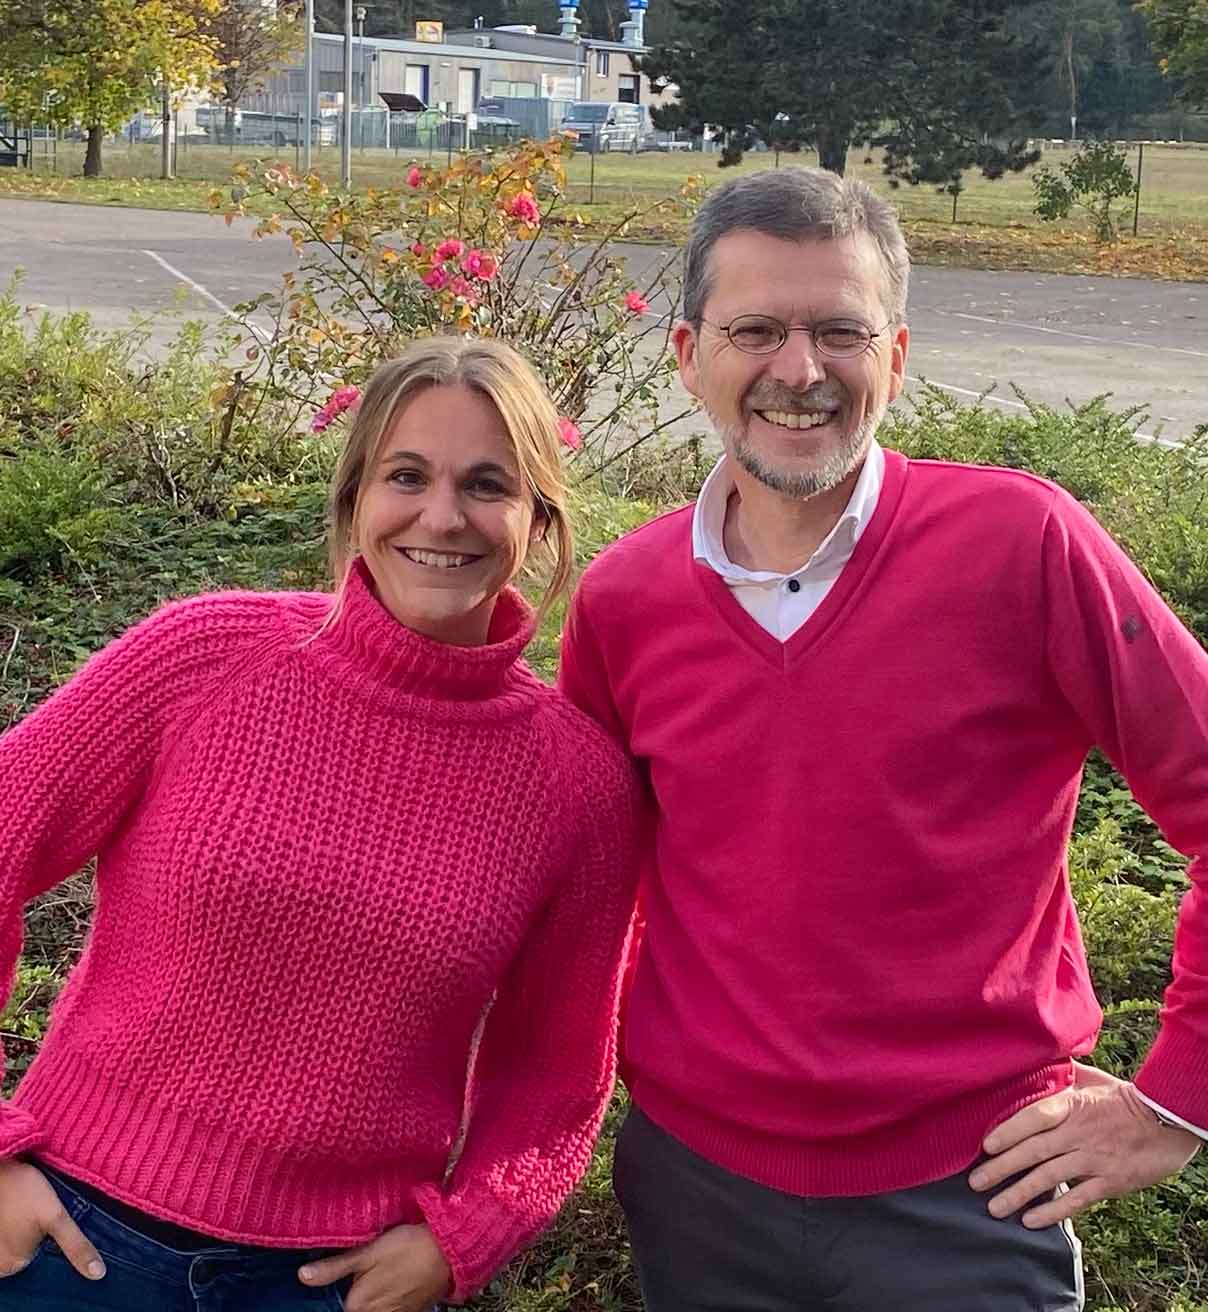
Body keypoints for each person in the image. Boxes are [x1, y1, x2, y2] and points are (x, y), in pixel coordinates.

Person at [558, 166, 1208, 1311]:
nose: (798, 369)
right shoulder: (625, 598)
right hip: (694, 1189)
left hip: (971, 1192)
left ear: (894, 357)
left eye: (839, 332)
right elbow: (588, 891)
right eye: (754, 330)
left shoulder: (1020, 545)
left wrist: (1175, 1100)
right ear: (687, 355)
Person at [0, 336, 640, 1312]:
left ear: (538, 518)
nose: (442, 517)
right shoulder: (204, 657)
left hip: (330, 1283)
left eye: (486, 485)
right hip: (69, 1246)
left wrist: (464, 1235)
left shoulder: (577, 784)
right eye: (406, 476)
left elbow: (555, 1073)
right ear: (353, 499)